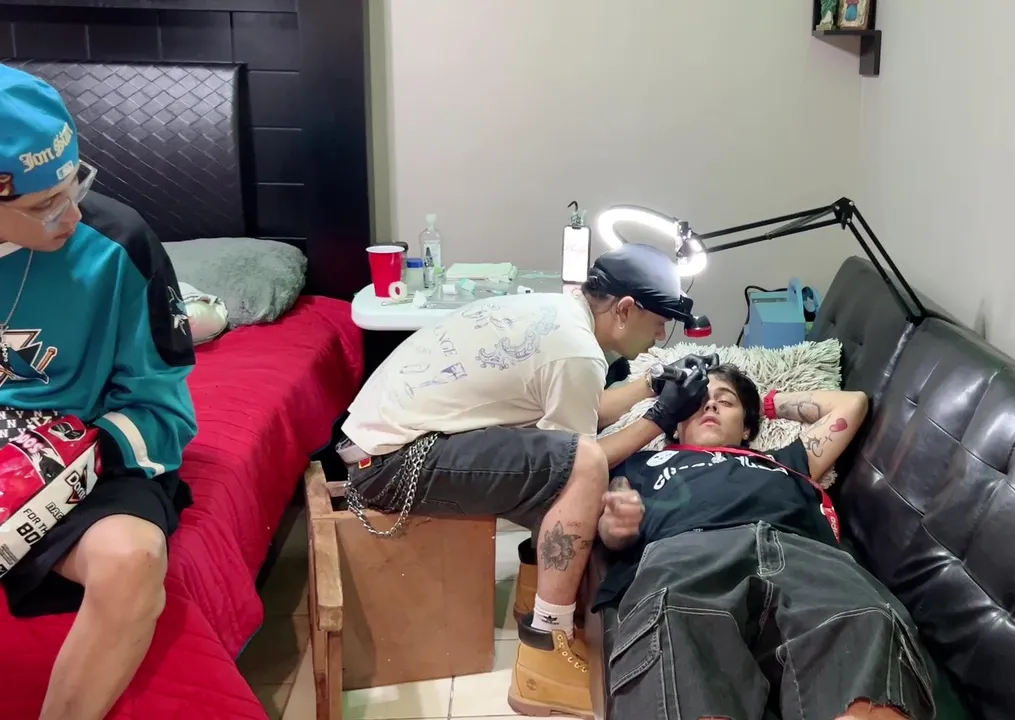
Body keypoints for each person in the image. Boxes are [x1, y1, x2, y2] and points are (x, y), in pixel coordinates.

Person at [338, 242, 714, 718]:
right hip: (391, 466)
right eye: (659, 323)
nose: (660, 338)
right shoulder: (576, 351)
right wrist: (662, 418)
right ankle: (546, 649)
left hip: (380, 448)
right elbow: (583, 460)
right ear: (623, 309)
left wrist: (652, 385)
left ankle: (532, 593)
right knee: (581, 467)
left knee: (557, 453)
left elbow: (583, 407)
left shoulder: (557, 315)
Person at [0, 66, 198, 720]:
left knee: (132, 560)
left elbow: (162, 409)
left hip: (89, 456)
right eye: (44, 205)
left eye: (75, 185)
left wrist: (58, 467)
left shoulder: (118, 245)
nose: (74, 214)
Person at [595, 364, 936, 720]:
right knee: (673, 625)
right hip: (689, 553)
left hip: (803, 553)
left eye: (726, 401)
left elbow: (853, 404)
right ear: (676, 425)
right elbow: (604, 507)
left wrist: (761, 402)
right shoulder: (642, 463)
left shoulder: (784, 461)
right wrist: (615, 526)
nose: (710, 405)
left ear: (746, 428)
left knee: (868, 621)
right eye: (697, 401)